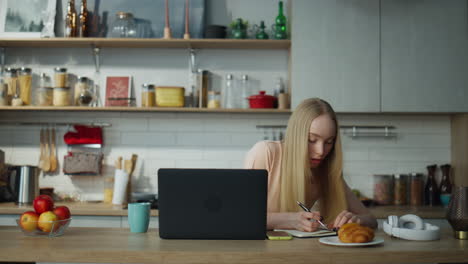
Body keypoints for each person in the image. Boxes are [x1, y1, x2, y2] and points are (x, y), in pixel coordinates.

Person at [244, 98, 377, 232]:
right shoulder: (266, 153)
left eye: (329, 142)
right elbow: (241, 217)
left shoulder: (325, 170)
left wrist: (356, 220)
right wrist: (290, 220)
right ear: (297, 136)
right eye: (311, 140)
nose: (321, 152)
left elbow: (371, 219)